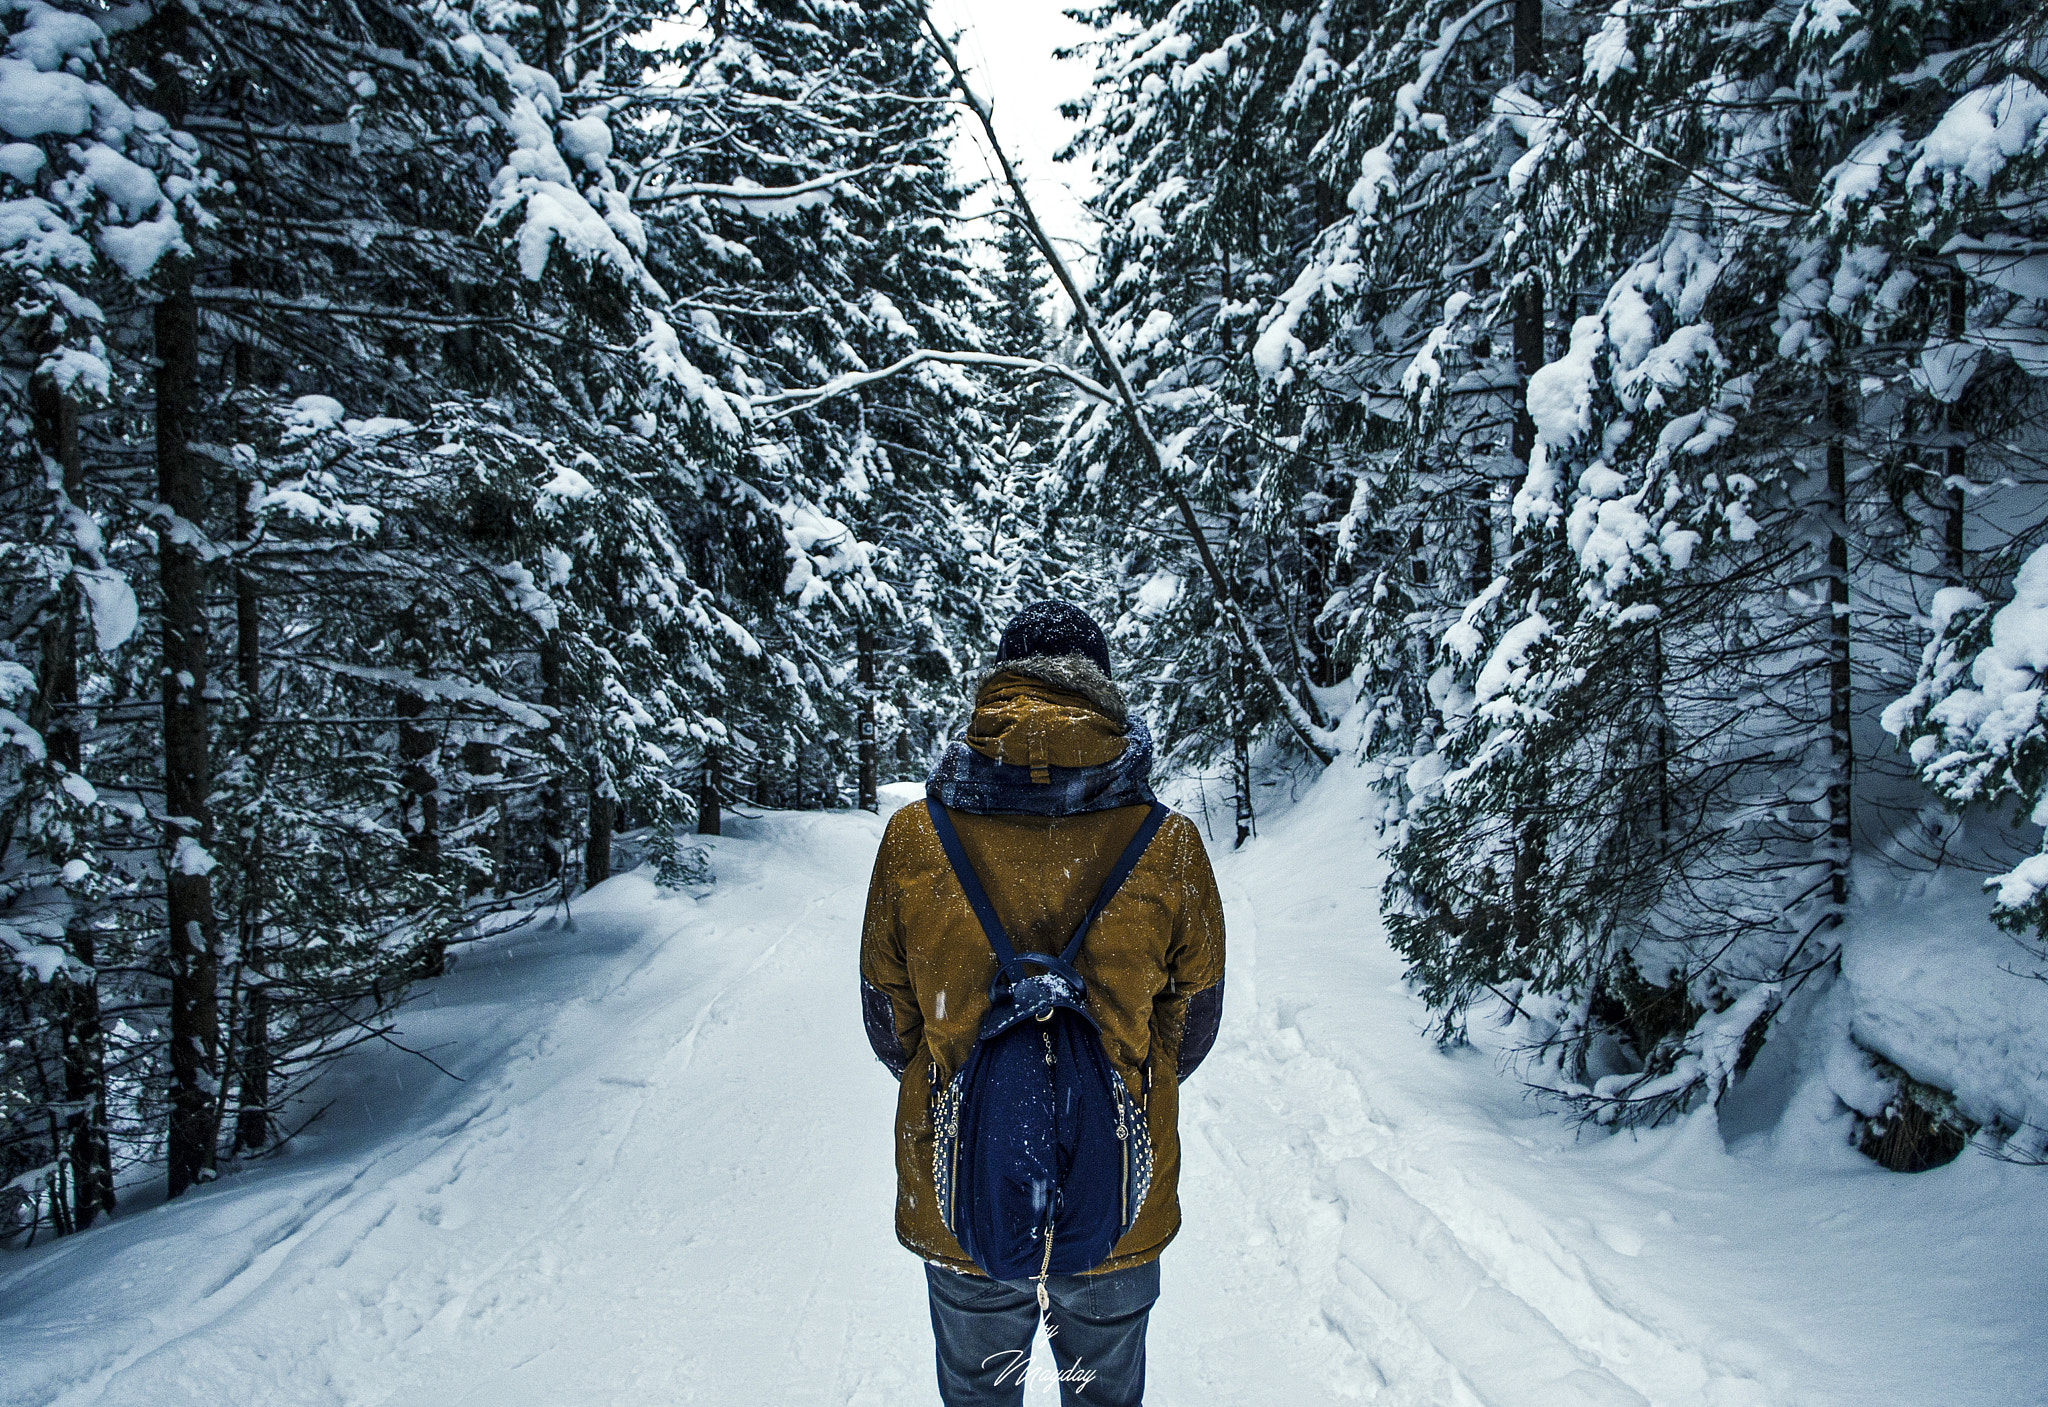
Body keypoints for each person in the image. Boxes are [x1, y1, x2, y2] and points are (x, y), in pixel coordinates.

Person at [859, 600, 1225, 1407]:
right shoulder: (1167, 845)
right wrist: (1114, 1082)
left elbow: (891, 1023)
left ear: (997, 684)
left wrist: (976, 1086)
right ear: (1102, 690)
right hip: (1119, 1198)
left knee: (981, 1393)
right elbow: (1192, 1020)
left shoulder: (918, 837)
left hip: (963, 1193)